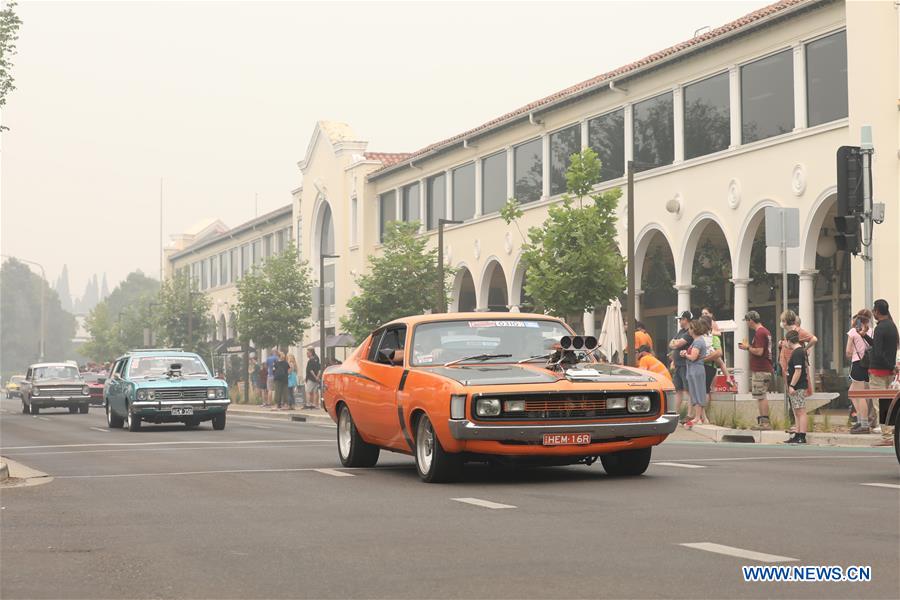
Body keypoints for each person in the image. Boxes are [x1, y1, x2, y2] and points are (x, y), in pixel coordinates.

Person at [862, 299, 899, 445]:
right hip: (889, 371)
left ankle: (887, 437)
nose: (873, 312)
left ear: (877, 311)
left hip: (878, 371)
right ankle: (893, 432)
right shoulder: (892, 326)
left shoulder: (880, 328)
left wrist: (889, 365)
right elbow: (884, 347)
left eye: (873, 309)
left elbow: (877, 351)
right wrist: (892, 366)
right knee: (889, 403)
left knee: (880, 404)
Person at [739, 310, 773, 431]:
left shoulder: (760, 333)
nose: (747, 324)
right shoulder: (765, 331)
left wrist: (748, 347)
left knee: (761, 396)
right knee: (760, 395)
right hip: (764, 367)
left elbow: (759, 351)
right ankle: (763, 422)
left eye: (747, 321)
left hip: (761, 368)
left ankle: (765, 423)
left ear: (751, 320)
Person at [700, 314, 732, 425]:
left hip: (708, 366)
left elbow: (719, 354)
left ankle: (703, 416)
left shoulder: (713, 338)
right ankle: (703, 416)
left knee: (704, 391)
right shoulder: (705, 337)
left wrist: (702, 359)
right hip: (708, 366)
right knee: (704, 391)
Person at [846, 309, 873, 434]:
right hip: (868, 365)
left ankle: (864, 423)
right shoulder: (871, 330)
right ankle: (860, 419)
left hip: (857, 364)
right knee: (852, 392)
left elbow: (848, 352)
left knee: (860, 395)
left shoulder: (853, 331)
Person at [680, 319, 708, 428]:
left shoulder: (698, 341)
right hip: (693, 369)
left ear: (693, 329)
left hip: (696, 369)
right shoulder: (696, 341)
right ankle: (700, 417)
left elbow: (693, 357)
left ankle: (697, 417)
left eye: (690, 328)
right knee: (695, 392)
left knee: (698, 392)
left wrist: (685, 354)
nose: (689, 331)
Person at [784, 329, 809, 444]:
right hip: (797, 385)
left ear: (789, 341)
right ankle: (797, 433)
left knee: (801, 410)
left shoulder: (797, 352)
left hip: (798, 385)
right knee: (797, 411)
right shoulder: (800, 351)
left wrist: (792, 385)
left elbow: (798, 371)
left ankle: (802, 435)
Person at [668, 311, 694, 422]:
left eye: (681, 319)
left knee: (688, 390)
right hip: (678, 365)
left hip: (685, 365)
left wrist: (675, 343)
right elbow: (671, 343)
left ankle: (689, 414)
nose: (679, 321)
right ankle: (676, 414)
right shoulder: (681, 331)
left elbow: (677, 344)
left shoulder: (689, 332)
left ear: (686, 320)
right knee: (678, 390)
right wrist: (675, 343)